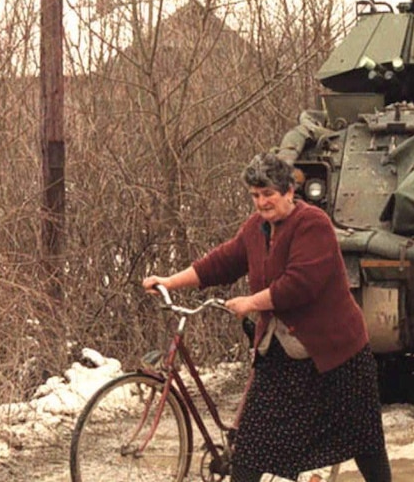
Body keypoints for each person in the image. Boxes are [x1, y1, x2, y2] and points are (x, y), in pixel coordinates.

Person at [142, 153, 391, 482]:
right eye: (255, 195)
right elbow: (222, 262)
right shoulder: (256, 228)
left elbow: (299, 284)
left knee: (365, 442)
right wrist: (169, 280)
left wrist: (252, 302)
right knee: (250, 451)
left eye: (268, 194)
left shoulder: (313, 224)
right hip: (280, 352)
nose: (261, 202)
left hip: (335, 354)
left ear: (289, 191)